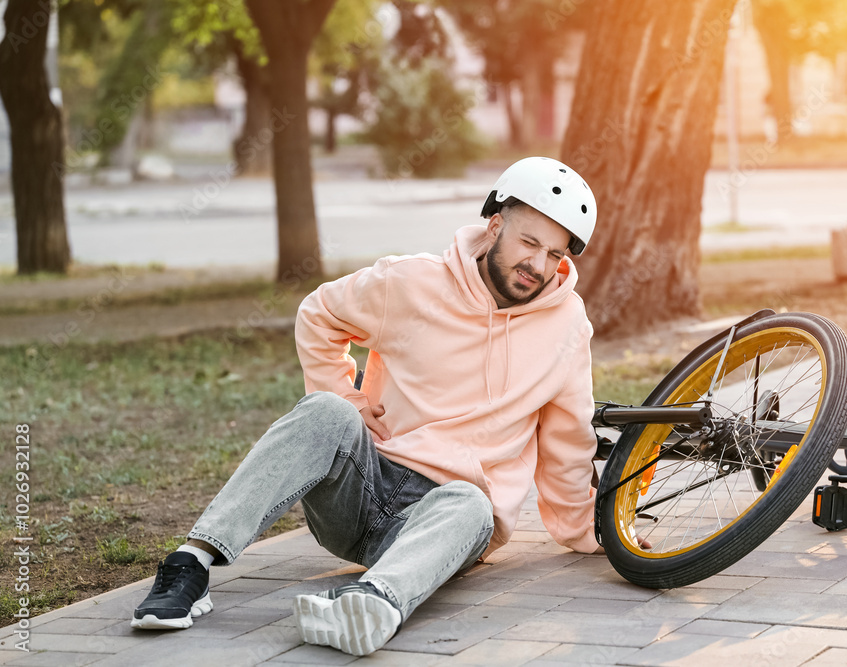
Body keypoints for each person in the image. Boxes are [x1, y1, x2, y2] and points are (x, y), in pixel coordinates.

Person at [130, 156, 601, 656]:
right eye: (529, 243)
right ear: (495, 224)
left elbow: (568, 441)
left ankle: (372, 603)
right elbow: (318, 315)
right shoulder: (411, 282)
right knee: (326, 410)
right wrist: (347, 395)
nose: (538, 265)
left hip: (443, 523)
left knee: (472, 503)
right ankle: (189, 564)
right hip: (361, 485)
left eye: (554, 254)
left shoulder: (567, 326)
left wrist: (595, 535)